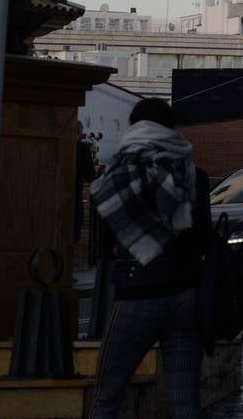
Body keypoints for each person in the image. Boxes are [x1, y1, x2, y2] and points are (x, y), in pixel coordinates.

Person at [88, 99, 210, 419]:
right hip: (186, 293)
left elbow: (103, 244)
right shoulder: (194, 175)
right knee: (184, 400)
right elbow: (204, 237)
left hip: (137, 295)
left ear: (134, 127)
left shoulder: (117, 175)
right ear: (170, 129)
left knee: (107, 395)